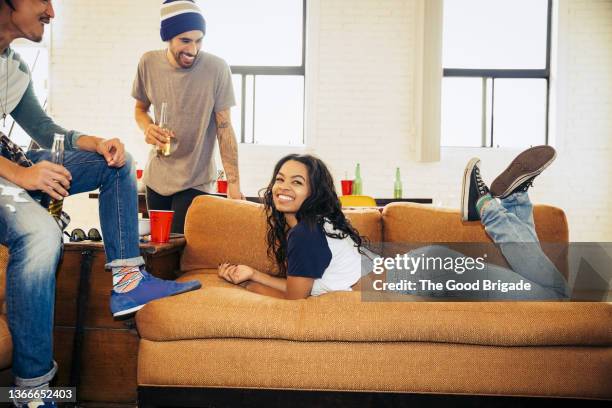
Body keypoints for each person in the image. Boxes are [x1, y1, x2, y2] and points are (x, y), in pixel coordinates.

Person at [0, 1, 201, 406]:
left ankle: (127, 280)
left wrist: (94, 142)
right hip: (8, 176)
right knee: (41, 233)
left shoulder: (15, 67)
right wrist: (21, 175)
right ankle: (34, 392)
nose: (51, 12)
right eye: (42, 1)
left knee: (116, 164)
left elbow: (44, 129)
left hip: (13, 166)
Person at [387, 145, 570, 300]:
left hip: (427, 271)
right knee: (554, 293)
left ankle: (489, 204)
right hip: (424, 268)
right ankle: (511, 200)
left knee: (557, 295)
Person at [133, 0, 244, 234]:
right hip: (157, 179)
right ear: (168, 37)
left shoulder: (217, 69)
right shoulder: (148, 63)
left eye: (199, 40)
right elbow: (140, 109)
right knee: (161, 249)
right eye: (185, 40)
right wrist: (148, 128)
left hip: (196, 179)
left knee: (183, 247)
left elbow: (224, 127)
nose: (193, 49)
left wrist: (234, 185)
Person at [218, 154, 364, 299]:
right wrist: (252, 274)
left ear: (315, 193)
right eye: (280, 179)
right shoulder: (312, 225)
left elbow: (294, 300)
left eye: (297, 182)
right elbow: (298, 286)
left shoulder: (306, 234)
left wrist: (247, 286)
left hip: (377, 296)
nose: (283, 187)